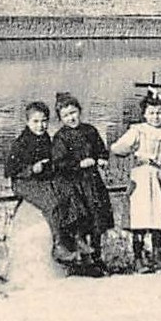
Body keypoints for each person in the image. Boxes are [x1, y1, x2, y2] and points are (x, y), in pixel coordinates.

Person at [110, 92, 161, 273]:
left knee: (158, 218)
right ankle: (138, 258)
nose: (155, 117)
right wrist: (135, 152)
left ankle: (158, 256)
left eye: (159, 112)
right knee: (141, 218)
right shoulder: (139, 131)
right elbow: (117, 148)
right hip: (142, 179)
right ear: (144, 114)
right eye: (151, 113)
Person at [5, 102, 84, 270]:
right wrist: (32, 169)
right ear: (27, 122)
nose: (41, 126)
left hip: (41, 179)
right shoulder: (21, 143)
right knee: (52, 202)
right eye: (36, 121)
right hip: (23, 182)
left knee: (69, 192)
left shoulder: (46, 138)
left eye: (44, 121)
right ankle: (58, 246)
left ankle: (77, 238)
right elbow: (10, 170)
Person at [50, 94, 114, 274]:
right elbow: (59, 163)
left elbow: (101, 149)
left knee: (97, 221)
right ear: (61, 119)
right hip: (74, 184)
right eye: (66, 115)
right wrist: (78, 164)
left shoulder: (90, 131)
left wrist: (102, 159)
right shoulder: (60, 137)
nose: (71, 118)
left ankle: (97, 258)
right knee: (81, 222)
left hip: (92, 182)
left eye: (74, 112)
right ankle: (82, 262)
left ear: (79, 111)